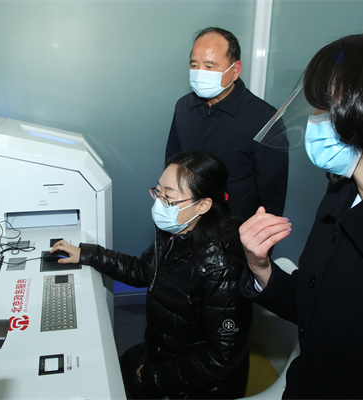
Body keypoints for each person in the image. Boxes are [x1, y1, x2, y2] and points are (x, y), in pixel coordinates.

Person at [239, 29, 363, 399]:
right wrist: (260, 267)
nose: (314, 119)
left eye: (325, 106)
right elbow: (315, 307)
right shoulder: (342, 194)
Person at [52, 150, 252, 399]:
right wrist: (88, 254)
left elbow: (221, 359)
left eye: (169, 198)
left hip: (197, 383)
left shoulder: (222, 268)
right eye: (158, 192)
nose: (159, 204)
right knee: (108, 374)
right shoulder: (176, 232)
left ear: (203, 205)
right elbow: (143, 271)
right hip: (163, 349)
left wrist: (153, 376)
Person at [165, 27, 288, 221]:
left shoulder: (264, 119)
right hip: (187, 223)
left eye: (209, 66)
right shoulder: (183, 107)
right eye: (194, 65)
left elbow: (272, 195)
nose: (200, 73)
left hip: (235, 230)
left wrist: (260, 238)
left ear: (235, 70)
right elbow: (171, 166)